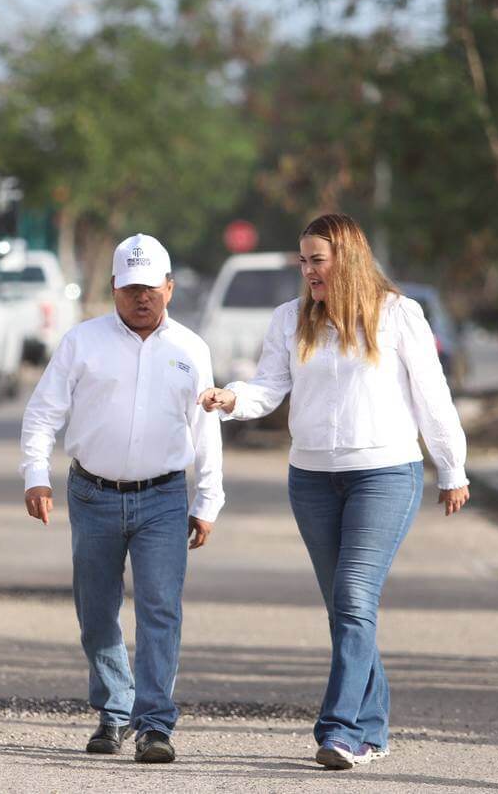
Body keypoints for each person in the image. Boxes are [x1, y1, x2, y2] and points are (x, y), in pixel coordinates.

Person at [199, 213, 469, 771]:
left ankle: (341, 730)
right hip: (312, 478)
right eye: (302, 260)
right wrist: (233, 400)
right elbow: (271, 386)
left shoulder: (397, 314)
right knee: (348, 608)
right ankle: (372, 730)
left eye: (315, 260)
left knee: (352, 597)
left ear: (345, 258)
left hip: (385, 473)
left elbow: (432, 397)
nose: (307, 271)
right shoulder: (290, 319)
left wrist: (451, 467)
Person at [20, 233, 224, 764]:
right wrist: (34, 475)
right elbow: (43, 413)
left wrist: (208, 500)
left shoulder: (190, 349)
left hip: (162, 499)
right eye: (131, 287)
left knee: (160, 609)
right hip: (93, 495)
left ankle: (154, 724)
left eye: (151, 287)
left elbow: (206, 432)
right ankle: (114, 712)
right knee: (96, 610)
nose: (141, 297)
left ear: (169, 288)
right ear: (114, 288)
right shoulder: (81, 343)